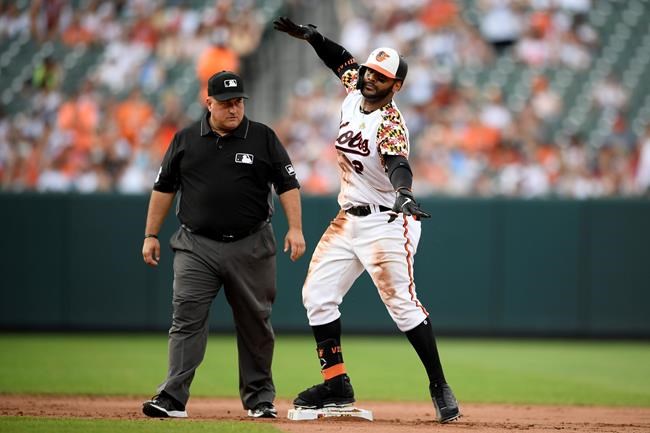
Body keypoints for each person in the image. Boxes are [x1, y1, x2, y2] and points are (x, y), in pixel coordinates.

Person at [273, 17, 461, 423]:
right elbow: (340, 60)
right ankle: (336, 384)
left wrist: (405, 193)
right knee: (317, 297)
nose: (370, 78)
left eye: (381, 76)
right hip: (348, 218)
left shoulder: (389, 121)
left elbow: (398, 163)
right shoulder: (353, 89)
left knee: (402, 307)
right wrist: (313, 37)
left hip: (388, 221)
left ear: (397, 87)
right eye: (369, 71)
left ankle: (438, 385)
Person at [141, 70, 305, 419]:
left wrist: (295, 229)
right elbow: (164, 187)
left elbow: (287, 184)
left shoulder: (262, 137)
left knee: (255, 322)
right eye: (227, 103)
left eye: (239, 102)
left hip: (251, 244)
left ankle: (260, 399)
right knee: (186, 317)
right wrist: (150, 234)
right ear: (209, 103)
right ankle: (172, 397)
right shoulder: (185, 139)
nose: (234, 109)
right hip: (195, 244)